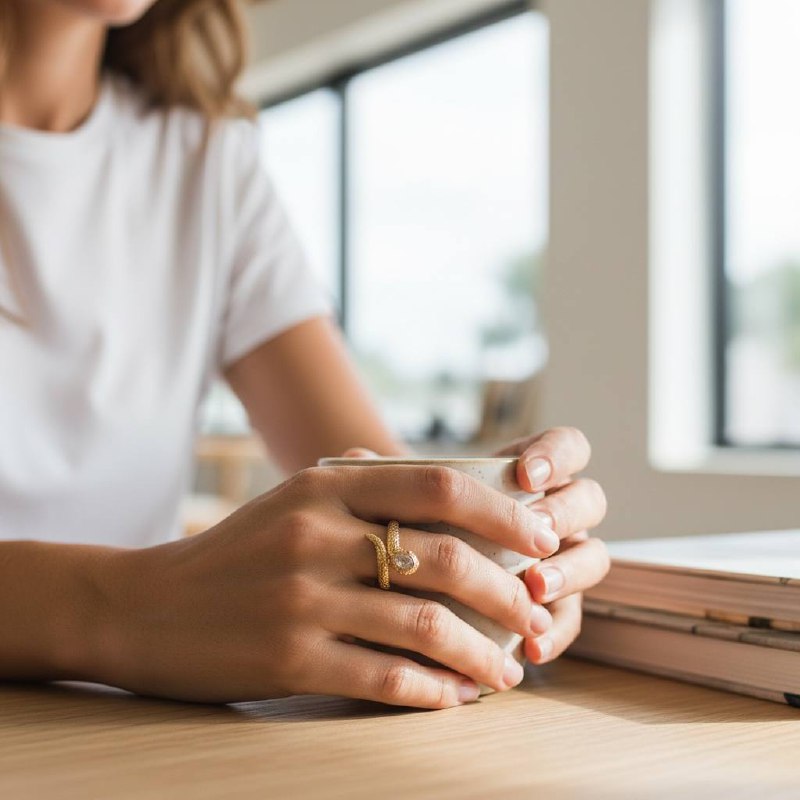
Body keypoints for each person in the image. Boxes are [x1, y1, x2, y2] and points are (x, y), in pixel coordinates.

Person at [0, 0, 609, 709]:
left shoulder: (204, 161)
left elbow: (374, 484)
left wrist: (496, 534)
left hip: (136, 743)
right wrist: (127, 609)